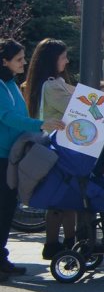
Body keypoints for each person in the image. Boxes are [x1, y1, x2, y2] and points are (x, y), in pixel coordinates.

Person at [1, 39, 65, 277]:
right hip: (1, 155)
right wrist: (40, 125)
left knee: (7, 208)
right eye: (18, 59)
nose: (24, 63)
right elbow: (7, 117)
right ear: (4, 61)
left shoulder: (11, 83)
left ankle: (1, 257)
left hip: (11, 154)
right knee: (3, 207)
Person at [21, 38, 77, 259]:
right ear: (53, 60)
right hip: (61, 149)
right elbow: (76, 109)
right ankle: (67, 242)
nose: (66, 61)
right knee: (68, 197)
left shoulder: (39, 83)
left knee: (54, 198)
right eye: (63, 57)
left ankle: (51, 244)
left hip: (47, 149)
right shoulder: (54, 85)